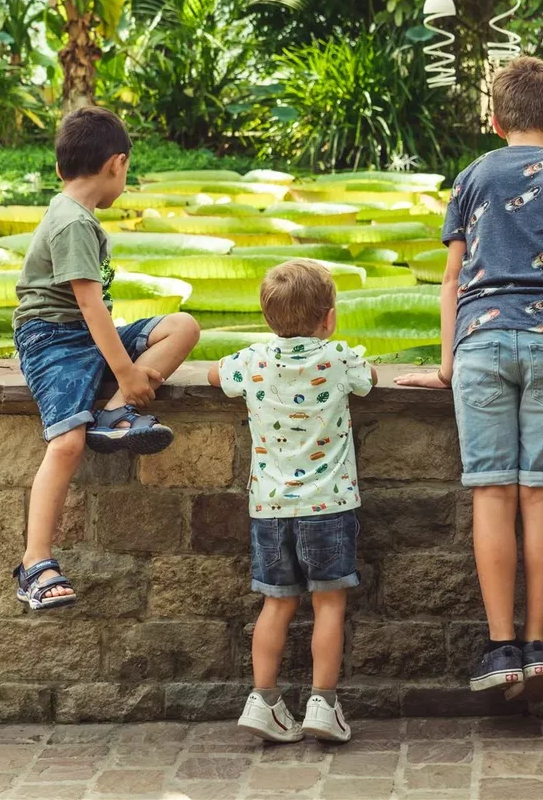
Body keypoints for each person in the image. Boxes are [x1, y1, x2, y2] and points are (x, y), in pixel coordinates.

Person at [397, 56, 543, 701]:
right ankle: (538, 645)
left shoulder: (472, 176)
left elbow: (452, 280)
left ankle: (500, 646)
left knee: (492, 495)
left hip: (479, 346)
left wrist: (447, 365)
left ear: (496, 120)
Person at [13, 105, 201, 610]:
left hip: (85, 333)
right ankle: (35, 563)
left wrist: (127, 374)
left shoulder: (77, 214)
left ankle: (116, 412)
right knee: (68, 443)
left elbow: (96, 313)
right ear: (117, 164)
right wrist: (126, 369)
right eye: (129, 170)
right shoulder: (73, 222)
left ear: (61, 167)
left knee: (183, 326)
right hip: (53, 338)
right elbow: (88, 302)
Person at [213, 259, 374, 745]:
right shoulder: (339, 358)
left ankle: (264, 701)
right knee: (329, 605)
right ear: (328, 318)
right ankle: (322, 704)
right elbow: (367, 379)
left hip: (269, 508)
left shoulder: (250, 360)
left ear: (267, 317)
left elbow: (215, 374)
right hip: (329, 505)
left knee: (276, 604)